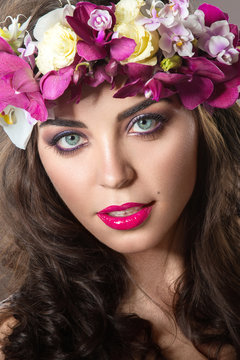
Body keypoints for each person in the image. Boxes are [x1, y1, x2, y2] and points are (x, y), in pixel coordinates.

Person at [0, 0, 239, 359]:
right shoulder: (14, 342)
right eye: (70, 139)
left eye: (144, 123)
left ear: (203, 125)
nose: (115, 176)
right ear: (37, 159)